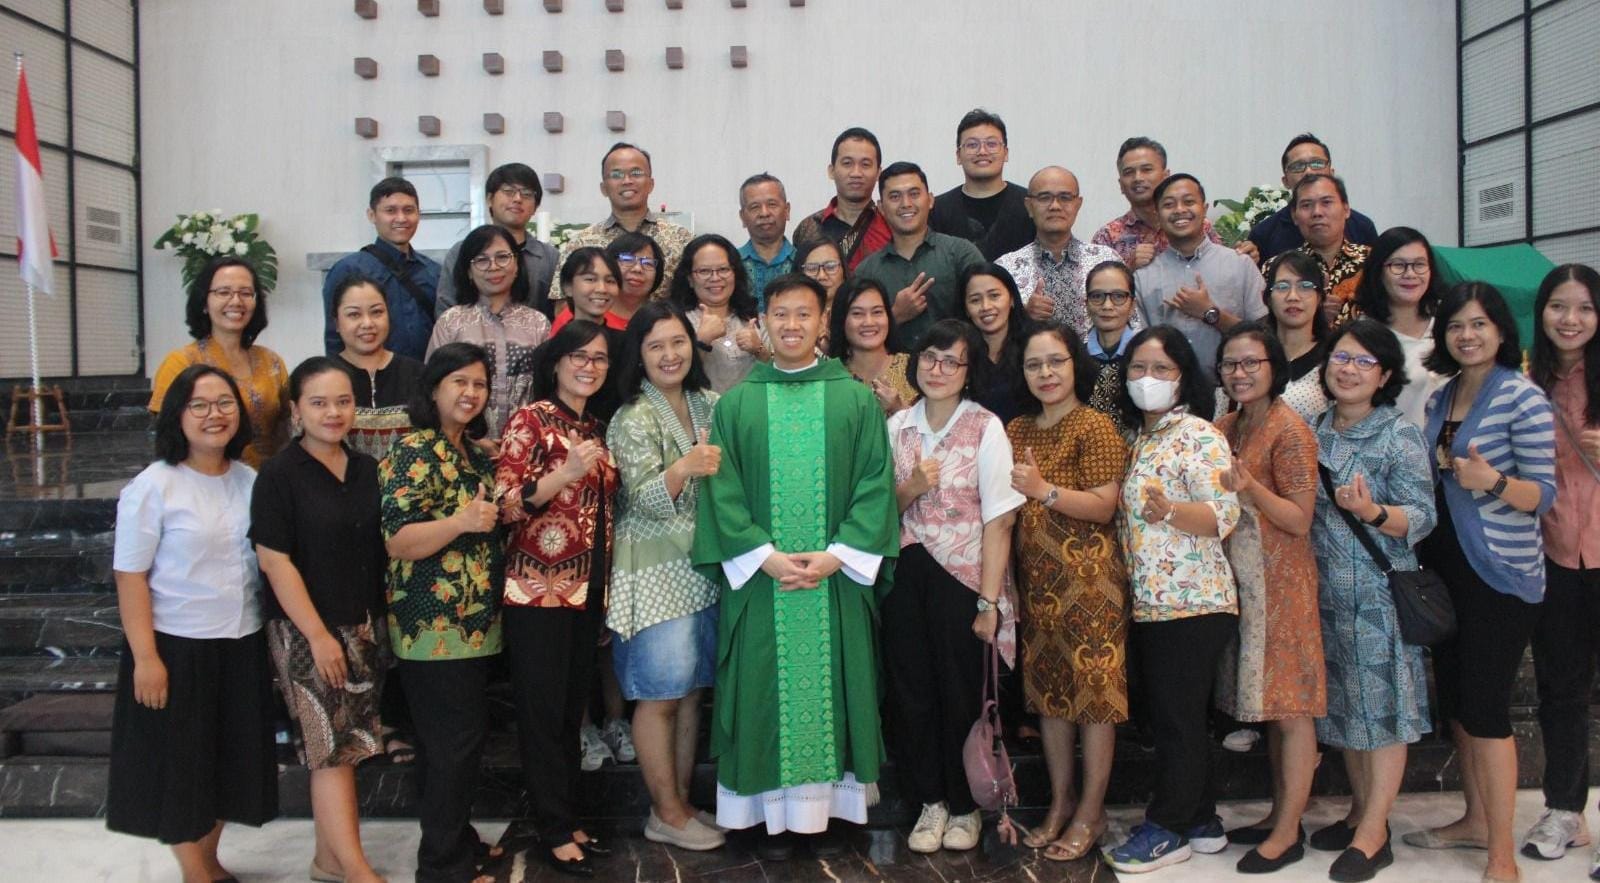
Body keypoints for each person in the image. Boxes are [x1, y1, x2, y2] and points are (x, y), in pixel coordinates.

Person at [691, 274, 898, 861]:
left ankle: (830, 810)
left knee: (834, 683)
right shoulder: (736, 404)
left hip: (834, 578)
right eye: (779, 315)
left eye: (803, 315)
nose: (791, 326)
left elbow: (874, 485)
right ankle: (760, 810)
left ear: (822, 322)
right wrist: (767, 557)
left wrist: (836, 556)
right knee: (761, 686)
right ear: (762, 321)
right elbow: (721, 492)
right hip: (763, 579)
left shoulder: (856, 398)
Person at [1409, 283, 1556, 883]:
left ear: (1500, 330)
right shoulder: (1443, 396)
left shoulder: (1524, 398)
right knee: (1463, 708)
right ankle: (1473, 820)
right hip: (1447, 568)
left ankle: (1501, 854)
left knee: (1489, 710)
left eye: (1478, 324)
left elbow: (1542, 495)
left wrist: (1492, 481)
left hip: (1498, 571)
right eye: (1455, 326)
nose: (1466, 335)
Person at [108, 365, 277, 883]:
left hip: (241, 641)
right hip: (176, 648)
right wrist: (146, 659)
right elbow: (130, 575)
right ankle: (194, 871)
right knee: (181, 767)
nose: (214, 415)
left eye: (224, 403)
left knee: (227, 762)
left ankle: (209, 860)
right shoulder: (154, 485)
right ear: (178, 414)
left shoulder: (251, 480)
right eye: (199, 405)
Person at [1102, 326, 1240, 875]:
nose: (1147, 379)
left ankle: (1168, 827)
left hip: (1194, 603)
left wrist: (1170, 513)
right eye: (1137, 369)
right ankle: (1202, 818)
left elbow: (1222, 516)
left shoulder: (1200, 436)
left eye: (1161, 369)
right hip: (1152, 604)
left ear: (1183, 376)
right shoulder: (1141, 439)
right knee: (1176, 716)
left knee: (1176, 720)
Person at [884, 319, 1024, 854]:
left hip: (965, 579)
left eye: (951, 361)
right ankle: (930, 803)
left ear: (969, 372)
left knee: (960, 691)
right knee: (912, 692)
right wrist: (912, 486)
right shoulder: (896, 426)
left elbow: (1000, 519)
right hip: (906, 572)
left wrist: (989, 601)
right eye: (930, 358)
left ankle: (965, 808)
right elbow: (879, 511)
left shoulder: (985, 426)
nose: (938, 370)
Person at [1306, 318, 1436, 883]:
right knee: (1348, 711)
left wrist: (1373, 513)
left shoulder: (1397, 433)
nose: (1349, 369)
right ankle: (1361, 811)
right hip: (1326, 596)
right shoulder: (1313, 429)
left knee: (1382, 715)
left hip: (1379, 598)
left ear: (1384, 374)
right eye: (1341, 357)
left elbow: (1424, 516)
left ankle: (1373, 833)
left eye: (1363, 362)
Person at [491, 320, 621, 877]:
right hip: (536, 592)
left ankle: (567, 819)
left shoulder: (595, 424)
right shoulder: (531, 418)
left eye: (599, 358)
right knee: (544, 715)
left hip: (586, 591)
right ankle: (551, 828)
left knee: (570, 714)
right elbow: (505, 502)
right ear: (557, 361)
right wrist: (563, 473)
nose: (589, 365)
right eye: (579, 356)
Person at [252, 357, 388, 883]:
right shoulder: (279, 474)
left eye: (344, 401)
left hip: (362, 626)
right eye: (319, 402)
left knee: (344, 747)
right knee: (330, 749)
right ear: (295, 410)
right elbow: (273, 559)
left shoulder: (365, 468)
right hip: (307, 631)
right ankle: (354, 868)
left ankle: (327, 861)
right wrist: (316, 634)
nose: (333, 413)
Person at [1005, 322, 1129, 862]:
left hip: (1092, 584)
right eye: (1035, 365)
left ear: (1074, 364)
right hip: (1038, 585)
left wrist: (1044, 491)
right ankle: (1060, 803)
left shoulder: (1096, 426)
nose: (1046, 373)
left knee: (1095, 703)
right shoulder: (1016, 428)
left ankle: (1091, 812)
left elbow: (1104, 505)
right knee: (1051, 699)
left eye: (1055, 361)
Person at [380, 343, 505, 883]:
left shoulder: (474, 454)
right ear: (433, 388)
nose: (470, 393)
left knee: (455, 745)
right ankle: (441, 866)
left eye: (479, 384)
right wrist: (459, 522)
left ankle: (458, 839)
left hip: (476, 623)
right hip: (431, 624)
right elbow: (399, 541)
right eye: (459, 381)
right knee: (451, 746)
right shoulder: (413, 450)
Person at [607, 302, 726, 852]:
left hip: (702, 569)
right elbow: (644, 500)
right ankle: (665, 811)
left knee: (691, 693)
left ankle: (680, 802)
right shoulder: (632, 415)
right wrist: (683, 467)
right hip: (653, 573)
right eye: (655, 346)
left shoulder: (710, 403)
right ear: (639, 354)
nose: (670, 354)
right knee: (658, 696)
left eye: (678, 341)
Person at [1210, 323, 1326, 874]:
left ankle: (1287, 831)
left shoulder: (1290, 429)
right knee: (1271, 709)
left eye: (1252, 362)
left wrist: (1249, 487)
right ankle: (1283, 814)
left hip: (1283, 586)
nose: (1241, 372)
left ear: (1273, 367)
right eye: (1231, 363)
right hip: (1242, 582)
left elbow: (1300, 520)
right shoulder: (1225, 425)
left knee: (1292, 711)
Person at [1523, 264, 1600, 867]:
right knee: (1562, 690)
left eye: (1583, 308)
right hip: (1552, 556)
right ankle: (1565, 811)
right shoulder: (1527, 378)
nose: (1569, 320)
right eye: (1558, 307)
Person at [150, 255, 288, 468]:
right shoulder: (180, 363)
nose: (236, 301)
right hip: (206, 482)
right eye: (223, 292)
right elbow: (167, 436)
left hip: (268, 481)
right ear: (204, 302)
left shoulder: (272, 362)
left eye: (245, 293)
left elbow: (287, 425)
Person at [1133, 174, 1268, 376]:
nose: (1179, 210)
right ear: (1157, 214)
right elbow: (1140, 347)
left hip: (1233, 390)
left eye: (1189, 202)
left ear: (1204, 209)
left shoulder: (1240, 265)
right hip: (1168, 396)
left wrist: (1210, 313)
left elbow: (1264, 338)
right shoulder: (1144, 277)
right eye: (1169, 204)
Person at [427, 224, 553, 439]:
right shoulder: (451, 322)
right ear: (468, 270)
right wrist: (472, 438)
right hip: (464, 442)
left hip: (528, 442)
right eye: (482, 260)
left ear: (516, 265)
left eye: (502, 257)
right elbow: (432, 386)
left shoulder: (538, 324)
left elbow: (549, 391)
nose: (493, 267)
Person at [856, 161, 987, 352]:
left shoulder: (960, 253)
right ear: (881, 208)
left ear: (931, 200)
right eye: (894, 196)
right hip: (889, 376)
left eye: (914, 194)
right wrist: (895, 315)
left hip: (955, 370)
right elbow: (855, 334)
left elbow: (986, 309)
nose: (906, 204)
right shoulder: (867, 271)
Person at [552, 142, 691, 302]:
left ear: (651, 184)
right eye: (616, 175)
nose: (627, 181)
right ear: (604, 188)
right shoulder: (581, 242)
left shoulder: (681, 239)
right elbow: (562, 302)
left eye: (636, 173)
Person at [322, 177, 440, 360]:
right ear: (372, 215)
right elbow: (334, 338)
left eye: (409, 210)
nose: (401, 218)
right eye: (390, 210)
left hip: (424, 378)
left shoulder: (434, 272)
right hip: (367, 379)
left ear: (419, 214)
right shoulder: (348, 270)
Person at [997, 166, 1122, 338]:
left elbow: (1132, 323)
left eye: (1065, 197)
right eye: (1044, 197)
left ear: (1078, 205)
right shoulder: (1006, 268)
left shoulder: (1106, 261)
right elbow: (993, 337)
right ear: (1029, 206)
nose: (1055, 206)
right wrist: (1023, 316)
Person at [1348, 227, 1445, 427]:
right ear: (1379, 271)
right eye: (1398, 265)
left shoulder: (1449, 323)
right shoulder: (1363, 338)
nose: (1410, 274)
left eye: (1419, 264)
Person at [437, 163, 560, 320]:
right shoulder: (462, 250)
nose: (517, 199)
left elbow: (558, 313)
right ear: (490, 199)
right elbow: (445, 308)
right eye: (508, 191)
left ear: (535, 207)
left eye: (527, 194)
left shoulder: (550, 257)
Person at [329, 274, 425, 461]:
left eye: (376, 312)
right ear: (337, 323)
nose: (367, 323)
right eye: (354, 314)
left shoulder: (419, 375)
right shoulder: (321, 379)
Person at [1243, 134, 1379, 264]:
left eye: (1317, 164)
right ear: (1285, 181)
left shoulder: (1362, 227)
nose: (1308, 171)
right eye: (1297, 166)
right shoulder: (1264, 234)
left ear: (1331, 173)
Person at [1091, 137, 1224, 269]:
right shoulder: (1107, 238)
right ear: (1121, 185)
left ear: (1166, 176)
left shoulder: (1196, 224)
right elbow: (1096, 288)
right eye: (1129, 172)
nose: (1138, 178)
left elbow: (1221, 269)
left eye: (1147, 169)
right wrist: (1129, 270)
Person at [929, 108, 1036, 260]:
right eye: (972, 145)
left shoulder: (1030, 204)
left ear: (1005, 153)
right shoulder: (937, 210)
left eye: (991, 144)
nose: (982, 151)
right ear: (958, 156)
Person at [671, 234, 766, 393]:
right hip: (699, 414)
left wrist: (759, 350)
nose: (715, 278)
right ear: (689, 279)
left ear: (735, 273)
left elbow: (779, 373)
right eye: (704, 271)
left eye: (723, 269)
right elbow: (671, 377)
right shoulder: (674, 321)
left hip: (749, 413)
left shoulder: (756, 318)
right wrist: (701, 341)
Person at [792, 127, 892, 271]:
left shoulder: (892, 225)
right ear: (831, 171)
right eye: (847, 163)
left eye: (865, 164)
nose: (856, 173)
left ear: (878, 173)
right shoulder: (808, 228)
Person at [1255, 252, 1333, 422]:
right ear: (1267, 297)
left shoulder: (1333, 357)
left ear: (1319, 297)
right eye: (1282, 287)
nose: (1293, 297)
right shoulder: (1252, 355)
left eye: (1305, 286)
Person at [1290, 174, 1370, 325]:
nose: (1317, 212)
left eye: (1326, 202)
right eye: (1306, 205)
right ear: (1294, 216)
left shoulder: (1374, 261)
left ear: (1346, 209)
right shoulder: (1279, 268)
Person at [830, 277, 917, 415]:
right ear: (842, 320)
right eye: (857, 314)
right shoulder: (832, 377)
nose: (869, 322)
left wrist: (898, 408)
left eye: (877, 312)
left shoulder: (915, 368)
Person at [958, 263, 1029, 424]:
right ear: (966, 309)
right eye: (975, 300)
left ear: (1012, 299)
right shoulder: (959, 355)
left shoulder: (1035, 345)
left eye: (994, 296)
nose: (986, 307)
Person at [1081, 260, 1139, 434]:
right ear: (1086, 304)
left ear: (1132, 305)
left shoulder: (1145, 357)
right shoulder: (1074, 358)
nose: (1107, 306)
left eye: (1118, 296)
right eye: (1097, 296)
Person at [737, 172, 794, 307]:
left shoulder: (804, 262)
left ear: (787, 210)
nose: (764, 213)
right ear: (742, 217)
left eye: (772, 204)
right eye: (755, 207)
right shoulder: (730, 264)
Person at [551, 247, 628, 334]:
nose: (602, 289)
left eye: (610, 281)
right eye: (590, 279)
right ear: (568, 287)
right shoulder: (555, 345)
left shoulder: (627, 345)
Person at [795, 237, 848, 352]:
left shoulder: (857, 315)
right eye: (812, 268)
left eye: (830, 267)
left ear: (844, 270)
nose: (822, 276)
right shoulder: (791, 320)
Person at [607, 231, 666, 322]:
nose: (637, 269)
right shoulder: (588, 315)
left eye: (647, 263)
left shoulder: (665, 322)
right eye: (627, 259)